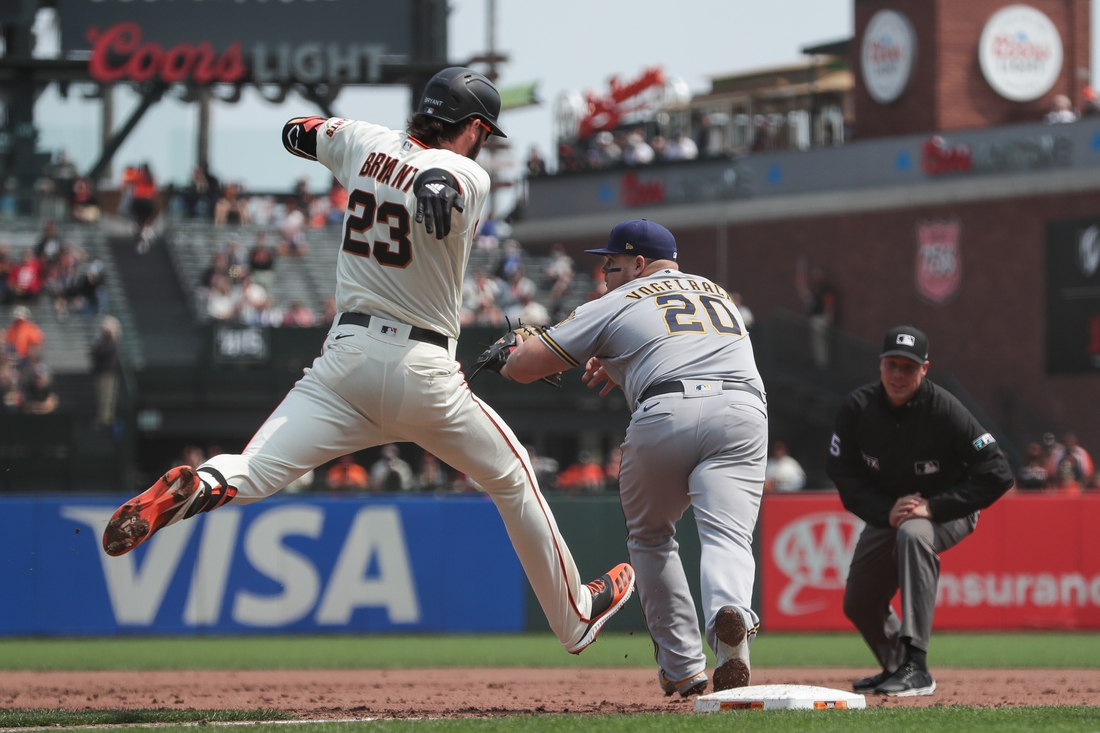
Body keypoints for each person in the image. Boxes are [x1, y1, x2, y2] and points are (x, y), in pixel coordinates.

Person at [100, 66, 634, 657]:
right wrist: (432, 186)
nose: (484, 143)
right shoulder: (466, 171)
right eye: (484, 132)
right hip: (421, 369)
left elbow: (294, 131)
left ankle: (199, 484)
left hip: (342, 366)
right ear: (474, 127)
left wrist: (349, 151)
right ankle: (576, 617)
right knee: (514, 479)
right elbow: (449, 185)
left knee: (255, 470)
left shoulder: (362, 140)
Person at [495, 219, 767, 697]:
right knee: (727, 534)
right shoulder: (718, 293)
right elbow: (679, 344)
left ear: (639, 264)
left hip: (665, 412)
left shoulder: (617, 300)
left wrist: (512, 352)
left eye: (612, 263)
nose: (604, 273)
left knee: (651, 537)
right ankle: (732, 620)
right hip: (742, 410)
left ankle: (683, 668)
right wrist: (620, 366)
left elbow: (525, 367)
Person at [826, 326, 1013, 697]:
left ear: (924, 369)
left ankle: (917, 666)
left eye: (908, 367)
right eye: (892, 365)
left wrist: (934, 506)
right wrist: (885, 510)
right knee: (860, 602)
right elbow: (844, 474)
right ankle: (896, 665)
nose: (898, 374)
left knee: (914, 534)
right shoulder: (857, 408)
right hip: (893, 513)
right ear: (880, 365)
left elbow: (998, 472)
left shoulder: (945, 409)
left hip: (948, 508)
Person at [91, 315, 121, 429]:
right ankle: (102, 419)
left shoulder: (112, 343)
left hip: (108, 373)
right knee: (101, 397)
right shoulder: (102, 342)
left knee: (107, 397)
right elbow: (96, 351)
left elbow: (102, 351)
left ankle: (106, 420)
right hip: (100, 372)